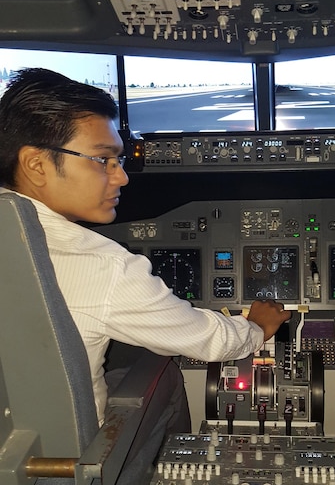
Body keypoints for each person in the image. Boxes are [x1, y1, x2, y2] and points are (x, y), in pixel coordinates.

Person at [0, 67, 291, 427]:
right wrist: (257, 329)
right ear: (36, 164)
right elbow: (208, 341)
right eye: (102, 160)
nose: (121, 176)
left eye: (118, 161)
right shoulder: (102, 265)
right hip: (67, 471)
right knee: (162, 369)